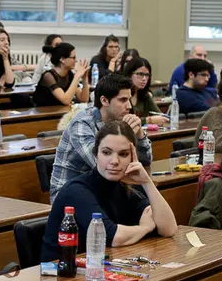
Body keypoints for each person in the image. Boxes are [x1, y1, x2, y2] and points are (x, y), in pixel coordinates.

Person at [41, 120, 177, 261]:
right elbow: (112, 236)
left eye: (123, 154)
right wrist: (145, 228)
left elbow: (169, 228)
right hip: (59, 273)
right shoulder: (76, 190)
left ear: (133, 157)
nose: (114, 161)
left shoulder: (126, 188)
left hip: (98, 266)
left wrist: (146, 182)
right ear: (95, 155)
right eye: (106, 153)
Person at [50, 74, 153, 204]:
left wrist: (139, 134)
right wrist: (124, 140)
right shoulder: (82, 124)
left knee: (146, 199)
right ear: (104, 101)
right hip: (69, 197)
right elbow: (102, 165)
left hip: (103, 189)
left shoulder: (119, 122)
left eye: (129, 100)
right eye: (122, 100)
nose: (129, 106)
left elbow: (145, 162)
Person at [120, 57, 164, 125]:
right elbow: (123, 121)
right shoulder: (121, 94)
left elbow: (160, 116)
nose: (144, 79)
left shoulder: (144, 94)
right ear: (129, 74)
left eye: (147, 75)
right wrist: (148, 120)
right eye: (140, 74)